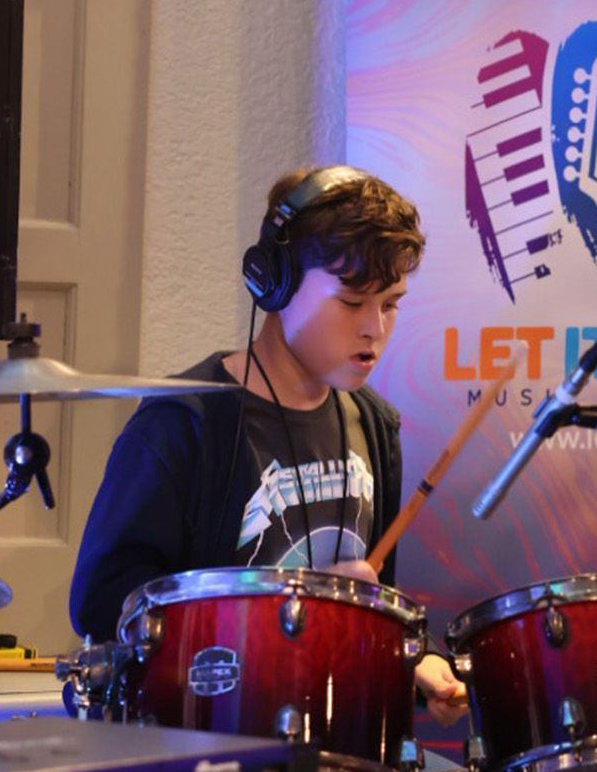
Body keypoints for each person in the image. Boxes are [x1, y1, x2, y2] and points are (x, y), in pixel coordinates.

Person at [69, 164, 465, 725]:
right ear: (273, 284)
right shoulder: (184, 425)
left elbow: (371, 610)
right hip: (210, 752)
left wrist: (413, 660)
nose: (375, 328)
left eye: (392, 303)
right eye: (352, 303)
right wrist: (289, 608)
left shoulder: (375, 424)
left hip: (334, 748)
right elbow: (103, 602)